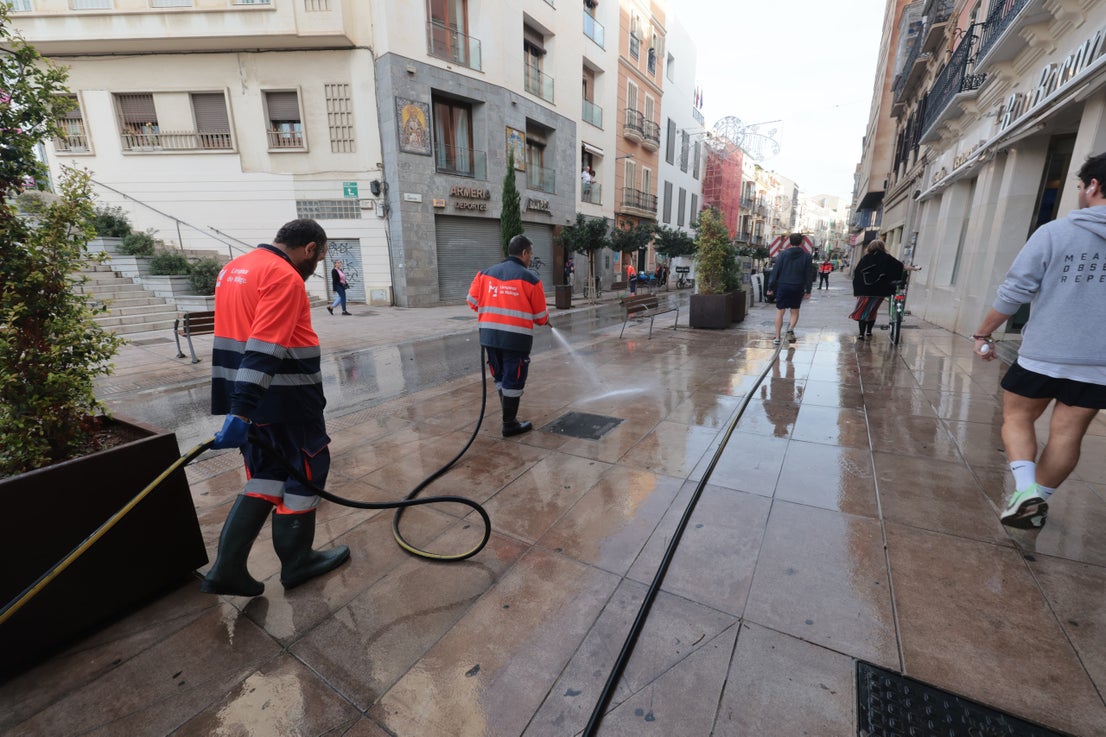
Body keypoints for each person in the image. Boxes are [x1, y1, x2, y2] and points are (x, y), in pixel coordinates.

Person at [202, 218, 350, 597]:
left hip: (250, 401)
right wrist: (241, 409)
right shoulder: (283, 276)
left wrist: (240, 409)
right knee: (306, 470)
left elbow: (235, 337)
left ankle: (227, 567)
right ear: (310, 249)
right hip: (286, 401)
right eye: (317, 260)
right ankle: (298, 563)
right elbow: (266, 346)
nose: (313, 269)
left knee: (266, 474)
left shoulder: (235, 268)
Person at [971, 151, 1106, 529]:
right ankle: (1032, 505)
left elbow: (1014, 291)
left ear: (1093, 186)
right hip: (1099, 361)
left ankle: (1026, 491)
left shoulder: (1055, 233)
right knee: (1068, 434)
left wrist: (984, 331)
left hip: (1044, 352)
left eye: (1080, 185)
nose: (1079, 191)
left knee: (1017, 416)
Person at [467, 234, 550, 437]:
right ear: (524, 253)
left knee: (500, 376)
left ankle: (508, 418)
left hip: (489, 338)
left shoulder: (484, 274)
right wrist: (545, 319)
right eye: (530, 254)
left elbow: (472, 301)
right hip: (516, 340)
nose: (530, 258)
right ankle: (509, 423)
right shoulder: (531, 280)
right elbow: (540, 317)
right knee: (513, 379)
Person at [849, 239, 920, 341]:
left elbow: (857, 274)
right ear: (883, 247)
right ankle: (869, 331)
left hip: (865, 291)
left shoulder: (865, 258)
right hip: (880, 291)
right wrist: (914, 268)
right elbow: (900, 266)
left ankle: (861, 334)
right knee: (873, 311)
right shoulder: (887, 258)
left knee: (863, 311)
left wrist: (858, 288)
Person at [766, 233, 814, 345]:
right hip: (798, 286)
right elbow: (808, 274)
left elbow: (776, 271)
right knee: (795, 311)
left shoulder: (783, 255)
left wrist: (770, 287)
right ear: (802, 242)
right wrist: (808, 290)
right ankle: (790, 329)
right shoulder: (806, 256)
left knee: (780, 311)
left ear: (789, 242)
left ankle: (777, 337)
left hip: (783, 285)